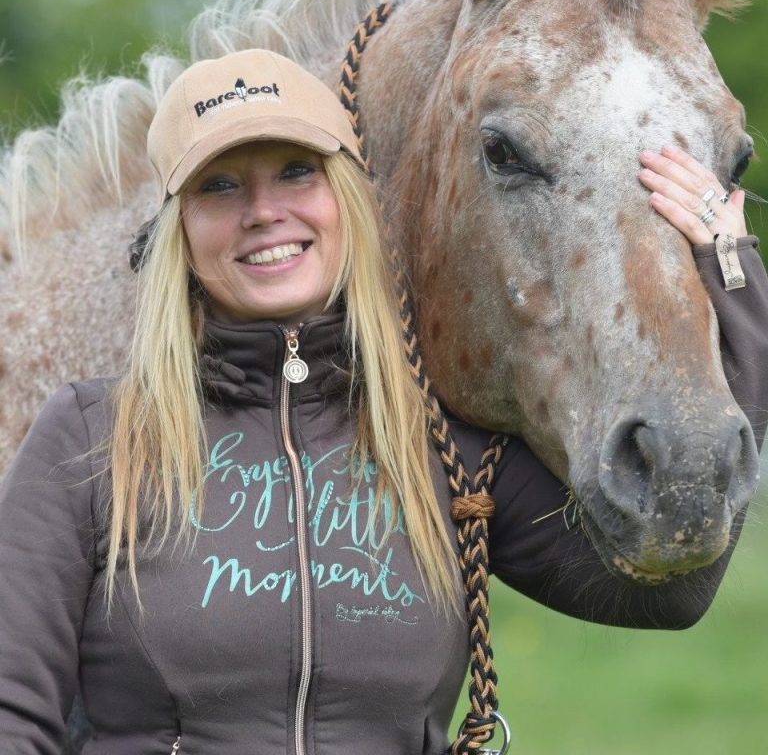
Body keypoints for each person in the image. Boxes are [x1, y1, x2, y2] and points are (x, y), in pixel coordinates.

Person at [0, 48, 766, 755]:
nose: (264, 210)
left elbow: (675, 587)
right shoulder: (91, 437)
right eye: (221, 185)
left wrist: (734, 270)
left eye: (298, 172)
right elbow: (13, 713)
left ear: (349, 201)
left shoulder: (447, 450)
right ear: (180, 232)